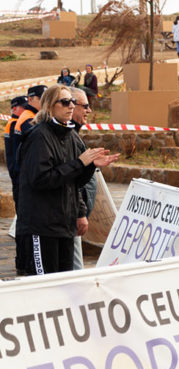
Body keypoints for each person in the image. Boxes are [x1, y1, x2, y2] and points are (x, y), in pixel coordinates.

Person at [15, 85, 118, 275]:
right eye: (64, 102)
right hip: (41, 228)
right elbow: (41, 179)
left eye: (72, 101)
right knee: (44, 287)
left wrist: (90, 165)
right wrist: (80, 163)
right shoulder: (39, 137)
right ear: (50, 106)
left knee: (64, 286)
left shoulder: (71, 136)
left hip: (64, 227)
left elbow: (75, 182)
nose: (70, 106)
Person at [70, 88, 97, 270]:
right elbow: (72, 181)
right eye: (85, 106)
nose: (89, 111)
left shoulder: (73, 135)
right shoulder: (66, 138)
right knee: (74, 270)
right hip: (68, 218)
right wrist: (80, 213)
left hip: (72, 216)